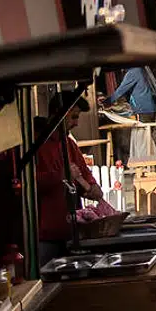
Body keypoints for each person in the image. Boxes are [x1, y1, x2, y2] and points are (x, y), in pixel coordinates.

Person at [35, 92, 106, 263]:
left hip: (72, 231)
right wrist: (60, 176)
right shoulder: (35, 144)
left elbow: (86, 178)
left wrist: (92, 188)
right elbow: (28, 184)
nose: (76, 123)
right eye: (73, 117)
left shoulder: (69, 144)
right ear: (58, 113)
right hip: (44, 235)